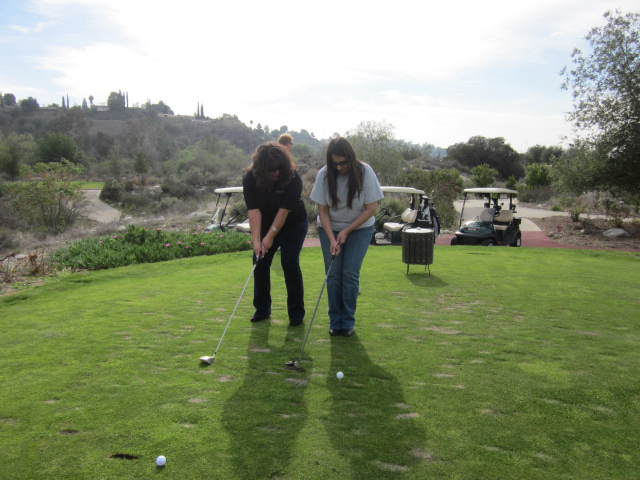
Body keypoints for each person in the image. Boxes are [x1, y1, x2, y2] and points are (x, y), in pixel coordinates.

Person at [310, 137, 384, 337]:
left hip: (360, 228)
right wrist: (332, 238)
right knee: (333, 274)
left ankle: (348, 322)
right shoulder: (324, 175)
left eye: (343, 163)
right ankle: (335, 321)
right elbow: (322, 211)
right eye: (334, 163)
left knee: (350, 273)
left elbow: (371, 209)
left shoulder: (365, 172)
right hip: (329, 228)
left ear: (350, 158)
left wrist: (346, 231)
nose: (339, 167)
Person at [243, 142, 308, 326]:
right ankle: (262, 309)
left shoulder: (293, 178)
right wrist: (257, 241)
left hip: (293, 224)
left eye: (280, 168)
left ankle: (296, 313)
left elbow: (284, 211)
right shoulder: (250, 178)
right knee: (259, 260)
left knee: (289, 262)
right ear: (262, 169)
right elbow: (253, 211)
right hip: (265, 221)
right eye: (272, 170)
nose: (277, 172)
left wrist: (269, 237)